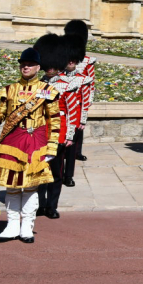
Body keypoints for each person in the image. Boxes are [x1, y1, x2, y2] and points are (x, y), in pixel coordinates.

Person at [0, 45, 61, 243]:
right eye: (23, 64)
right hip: (12, 142)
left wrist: (52, 147)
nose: (26, 67)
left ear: (38, 67)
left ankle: (27, 226)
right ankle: (11, 225)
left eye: (30, 64)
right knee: (12, 186)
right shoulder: (9, 90)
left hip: (35, 143)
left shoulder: (47, 91)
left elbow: (54, 121)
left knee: (31, 187)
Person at [37, 34, 80, 220]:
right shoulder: (36, 85)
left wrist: (69, 136)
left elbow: (72, 112)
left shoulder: (66, 85)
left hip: (59, 133)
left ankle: (52, 206)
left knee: (56, 173)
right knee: (39, 171)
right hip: (39, 133)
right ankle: (40, 204)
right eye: (47, 65)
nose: (50, 69)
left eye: (53, 66)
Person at [64, 19, 95, 163]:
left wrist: (89, 99)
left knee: (79, 127)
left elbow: (91, 80)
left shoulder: (88, 61)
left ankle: (77, 151)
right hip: (66, 96)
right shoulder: (64, 59)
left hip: (81, 97)